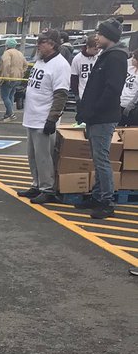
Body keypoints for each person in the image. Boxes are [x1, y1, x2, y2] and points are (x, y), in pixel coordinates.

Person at [77, 18, 129, 219]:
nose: (96, 38)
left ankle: (106, 202)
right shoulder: (107, 55)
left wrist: (94, 110)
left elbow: (112, 89)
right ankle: (97, 196)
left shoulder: (115, 58)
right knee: (97, 159)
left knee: (102, 160)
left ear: (109, 36)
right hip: (95, 117)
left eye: (99, 34)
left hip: (103, 117)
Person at [18, 29, 72, 206]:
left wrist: (52, 118)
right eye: (38, 41)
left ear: (53, 44)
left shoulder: (60, 65)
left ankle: (47, 188)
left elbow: (61, 94)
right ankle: (37, 183)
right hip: (32, 115)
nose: (38, 44)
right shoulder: (41, 61)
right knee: (32, 155)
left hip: (44, 117)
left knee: (44, 156)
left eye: (43, 42)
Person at [0, 38, 27, 120]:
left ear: (7, 45)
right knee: (11, 95)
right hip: (18, 78)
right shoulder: (20, 53)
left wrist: (6, 76)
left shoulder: (7, 53)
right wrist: (22, 73)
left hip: (9, 78)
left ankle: (11, 113)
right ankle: (8, 113)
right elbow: (26, 64)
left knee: (5, 96)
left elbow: (6, 65)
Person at [70, 35, 99, 121]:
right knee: (82, 120)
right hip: (83, 93)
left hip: (96, 94)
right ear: (88, 47)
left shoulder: (99, 57)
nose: (97, 51)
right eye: (95, 49)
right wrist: (76, 95)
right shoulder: (77, 59)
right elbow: (74, 78)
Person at [120, 48, 138, 127]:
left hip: (132, 107)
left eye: (134, 58)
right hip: (120, 103)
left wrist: (131, 106)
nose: (132, 59)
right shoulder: (129, 69)